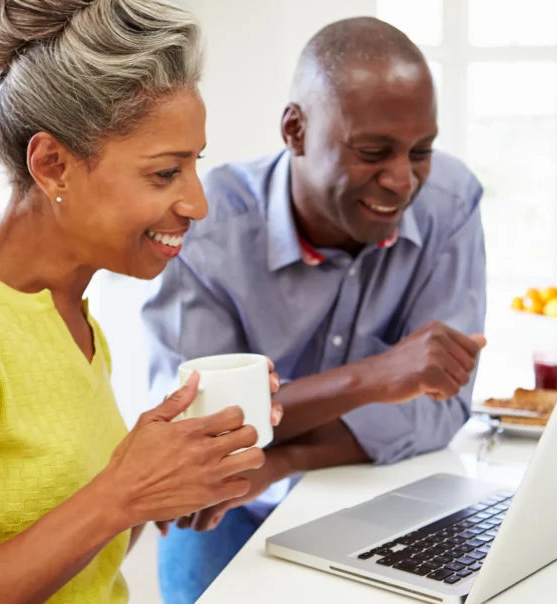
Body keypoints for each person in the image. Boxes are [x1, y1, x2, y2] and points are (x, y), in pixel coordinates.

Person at [0, 1, 281, 603]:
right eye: (165, 173)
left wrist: (172, 488)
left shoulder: (72, 320)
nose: (198, 203)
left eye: (195, 164)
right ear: (53, 165)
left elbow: (68, 559)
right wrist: (120, 494)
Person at [143, 16, 488, 604]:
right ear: (296, 130)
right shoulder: (207, 226)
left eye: (421, 151)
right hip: (226, 514)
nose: (403, 180)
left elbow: (442, 408)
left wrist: (282, 458)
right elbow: (198, 440)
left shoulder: (449, 203)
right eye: (373, 151)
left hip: (370, 509)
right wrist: (375, 379)